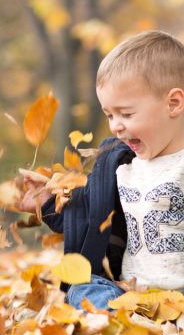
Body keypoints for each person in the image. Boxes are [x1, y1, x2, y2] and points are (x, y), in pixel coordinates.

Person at [20, 30, 184, 310]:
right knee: (83, 288)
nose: (115, 126)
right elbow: (85, 217)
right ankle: (111, 319)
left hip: (180, 295)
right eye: (110, 115)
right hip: (131, 298)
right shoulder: (119, 165)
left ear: (173, 103)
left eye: (126, 114)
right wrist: (46, 203)